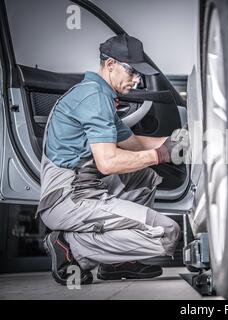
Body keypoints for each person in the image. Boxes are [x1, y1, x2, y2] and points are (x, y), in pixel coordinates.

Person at [38, 34, 181, 285]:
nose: (136, 81)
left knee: (143, 176)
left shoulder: (98, 93)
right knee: (167, 233)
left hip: (83, 187)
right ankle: (70, 246)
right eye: (132, 72)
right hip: (68, 197)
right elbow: (108, 162)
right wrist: (161, 154)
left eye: (139, 75)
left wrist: (177, 141)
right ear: (110, 64)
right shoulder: (95, 97)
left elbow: (134, 144)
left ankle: (117, 263)